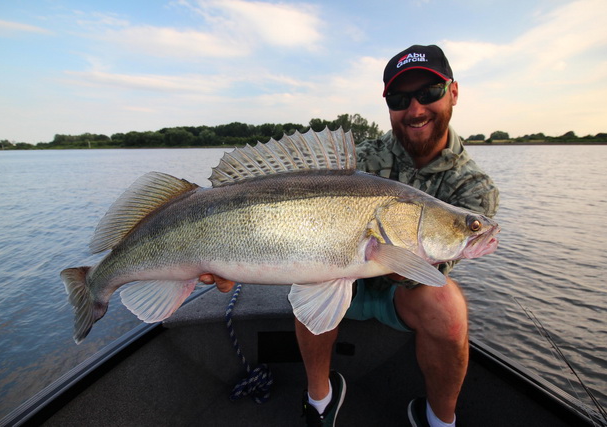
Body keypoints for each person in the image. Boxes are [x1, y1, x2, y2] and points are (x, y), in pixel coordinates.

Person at [201, 44, 499, 427]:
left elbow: (424, 270)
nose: (415, 108)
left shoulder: (475, 189)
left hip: (403, 289)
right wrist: (228, 253)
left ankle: (439, 421)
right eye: (400, 97)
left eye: (429, 93)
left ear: (453, 93)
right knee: (316, 272)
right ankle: (320, 399)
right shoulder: (361, 160)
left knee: (449, 308)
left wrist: (394, 250)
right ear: (388, 104)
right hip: (350, 270)